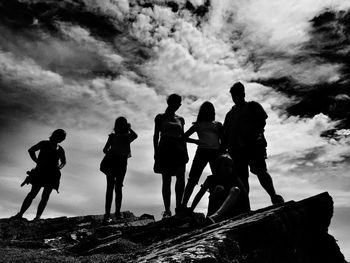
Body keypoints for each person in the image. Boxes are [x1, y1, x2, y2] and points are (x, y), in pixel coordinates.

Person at [223, 82, 284, 205]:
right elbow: (225, 133)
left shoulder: (253, 106)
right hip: (236, 151)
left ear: (243, 94)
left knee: (261, 171)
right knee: (242, 178)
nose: (235, 98)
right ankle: (245, 206)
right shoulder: (230, 114)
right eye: (233, 95)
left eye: (238, 94)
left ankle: (274, 197)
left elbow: (262, 121)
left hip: (253, 146)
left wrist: (253, 135)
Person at [12, 129, 67, 220]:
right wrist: (37, 161)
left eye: (63, 138)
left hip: (53, 174)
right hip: (40, 172)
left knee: (45, 196)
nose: (63, 139)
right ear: (55, 135)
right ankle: (20, 214)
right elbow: (31, 150)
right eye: (62, 137)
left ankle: (37, 217)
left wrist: (59, 167)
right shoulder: (44, 143)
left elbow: (64, 161)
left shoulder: (60, 149)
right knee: (33, 193)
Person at [181, 101, 223, 209]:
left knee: (218, 178)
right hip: (202, 152)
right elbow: (184, 137)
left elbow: (223, 139)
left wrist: (223, 152)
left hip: (216, 153)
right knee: (193, 179)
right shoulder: (198, 125)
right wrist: (195, 141)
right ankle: (183, 205)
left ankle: (216, 205)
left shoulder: (217, 124)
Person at [153, 94, 188, 218]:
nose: (179, 105)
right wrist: (156, 152)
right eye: (178, 102)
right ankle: (167, 210)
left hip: (179, 149)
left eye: (179, 103)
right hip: (165, 149)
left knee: (181, 178)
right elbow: (156, 136)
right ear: (170, 103)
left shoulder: (181, 119)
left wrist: (186, 152)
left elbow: (183, 137)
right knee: (166, 179)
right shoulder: (160, 117)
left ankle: (178, 207)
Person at [190, 154, 250, 223]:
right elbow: (199, 195)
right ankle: (213, 216)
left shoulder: (235, 178)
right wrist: (191, 210)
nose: (228, 168)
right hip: (214, 209)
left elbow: (245, 195)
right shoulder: (211, 179)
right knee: (219, 188)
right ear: (218, 166)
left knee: (235, 189)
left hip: (231, 210)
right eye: (225, 165)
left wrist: (247, 211)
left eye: (230, 166)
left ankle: (216, 216)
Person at [101, 117, 138, 223]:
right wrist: (110, 153)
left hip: (122, 162)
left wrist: (129, 128)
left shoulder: (127, 136)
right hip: (113, 162)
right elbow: (105, 149)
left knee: (118, 187)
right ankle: (108, 214)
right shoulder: (113, 136)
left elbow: (135, 136)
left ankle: (116, 213)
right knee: (111, 187)